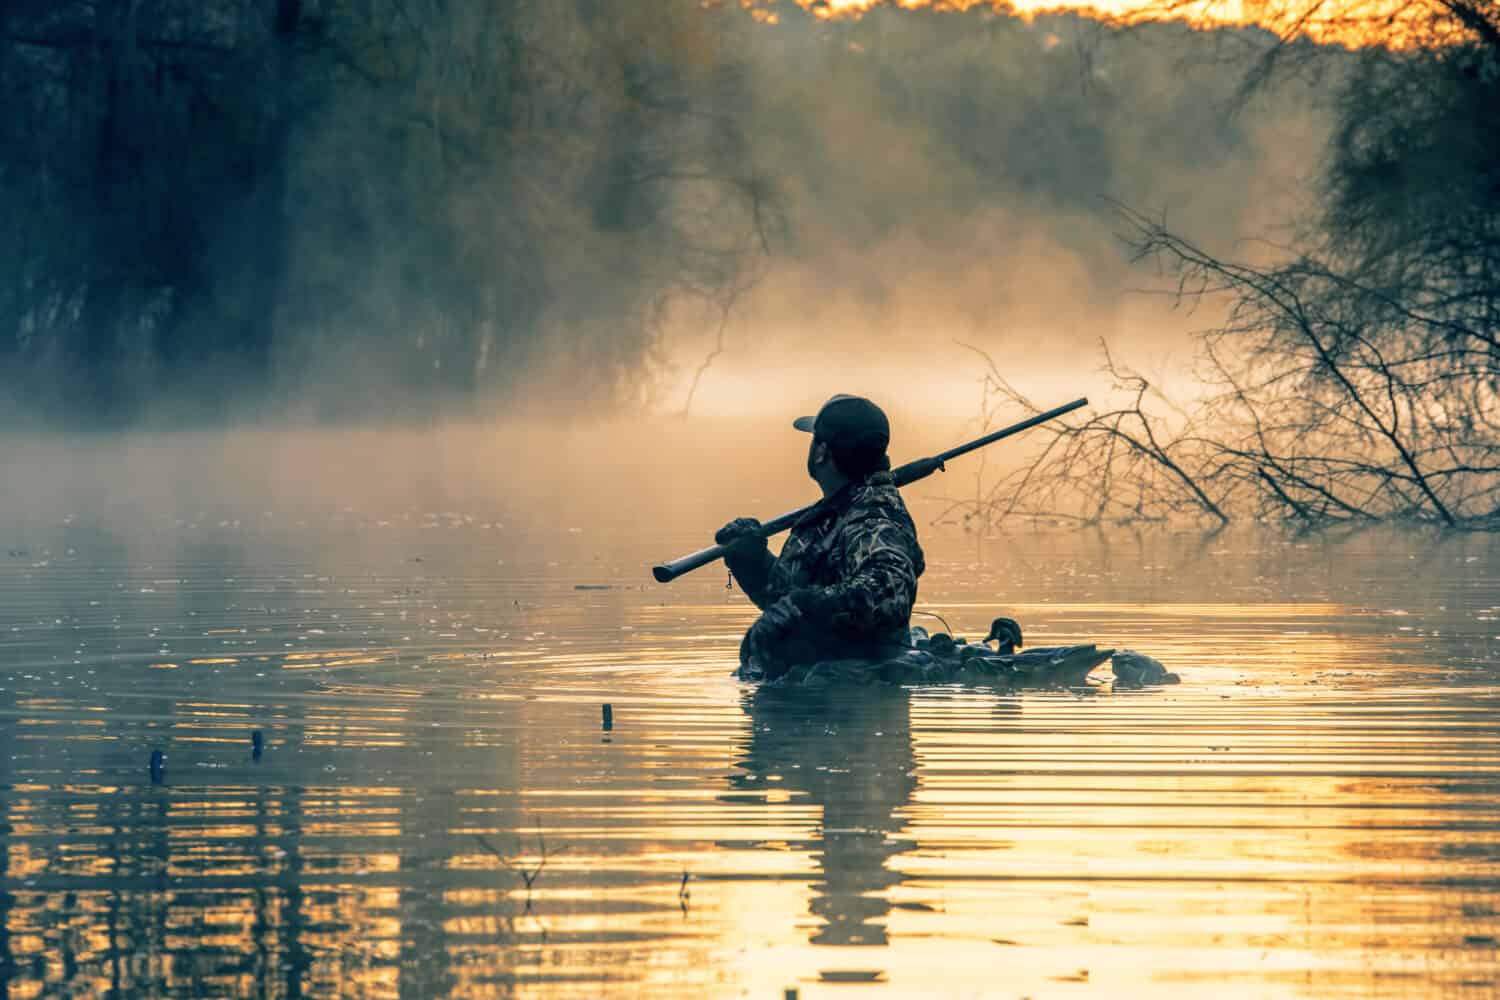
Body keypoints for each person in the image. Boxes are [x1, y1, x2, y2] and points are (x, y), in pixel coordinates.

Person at [716, 394, 926, 680]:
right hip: (811, 696)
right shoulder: (837, 511)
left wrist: (802, 606)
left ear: (821, 453)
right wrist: (752, 560)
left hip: (852, 705)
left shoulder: (874, 519)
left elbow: (887, 595)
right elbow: (790, 598)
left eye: (813, 439)